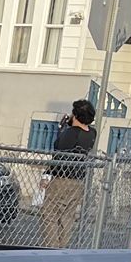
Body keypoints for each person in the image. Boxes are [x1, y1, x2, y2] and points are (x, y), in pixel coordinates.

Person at [41, 99, 97, 246]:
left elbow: (58, 152)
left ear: (76, 115)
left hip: (62, 179)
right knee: (67, 216)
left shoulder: (70, 133)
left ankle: (52, 246)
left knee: (50, 214)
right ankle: (62, 246)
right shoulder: (91, 133)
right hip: (78, 181)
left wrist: (47, 176)